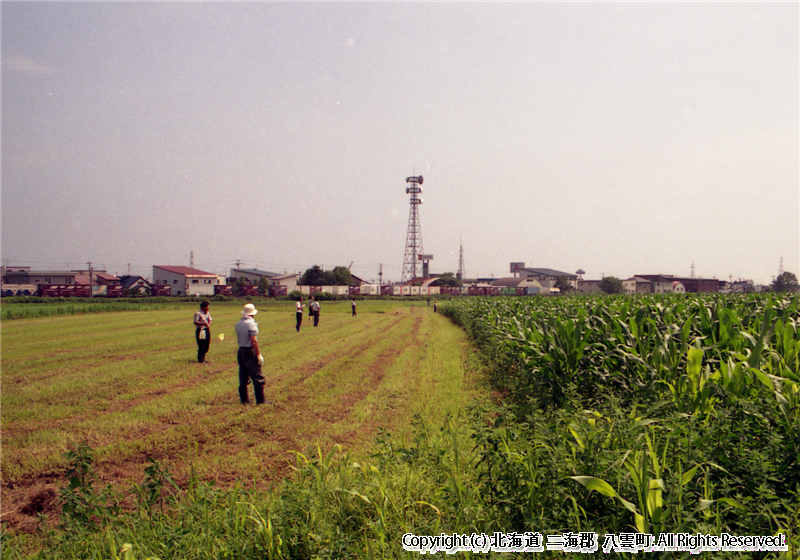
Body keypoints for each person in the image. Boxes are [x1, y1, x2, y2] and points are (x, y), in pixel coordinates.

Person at [235, 303, 267, 405]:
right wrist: (258, 354)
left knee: (243, 374)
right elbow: (254, 341)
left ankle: (244, 399)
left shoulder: (238, 324)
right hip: (249, 351)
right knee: (257, 375)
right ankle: (261, 400)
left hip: (241, 351)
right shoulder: (251, 324)